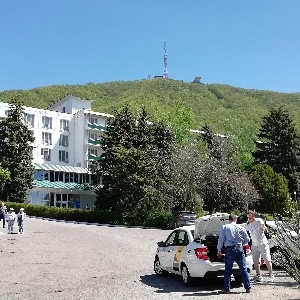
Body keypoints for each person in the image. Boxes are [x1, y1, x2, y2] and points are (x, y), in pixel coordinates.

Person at [217, 214, 251, 293]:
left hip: (229, 250)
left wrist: (219, 250)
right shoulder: (241, 227)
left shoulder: (224, 227)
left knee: (228, 270)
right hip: (239, 249)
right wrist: (242, 244)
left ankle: (226, 288)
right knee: (243, 269)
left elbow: (221, 240)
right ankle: (248, 287)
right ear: (236, 220)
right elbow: (247, 239)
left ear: (229, 220)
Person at [246, 210, 274, 282]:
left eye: (250, 216)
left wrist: (263, 228)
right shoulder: (248, 224)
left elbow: (263, 226)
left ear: (253, 215)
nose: (249, 218)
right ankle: (258, 276)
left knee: (267, 259)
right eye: (248, 216)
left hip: (262, 243)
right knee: (256, 261)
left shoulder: (259, 220)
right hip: (254, 244)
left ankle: (271, 275)